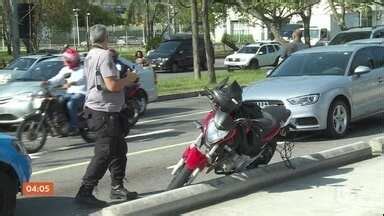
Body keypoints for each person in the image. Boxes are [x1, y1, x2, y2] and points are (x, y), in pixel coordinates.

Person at [74, 24, 139, 207]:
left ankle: (117, 187)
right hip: (104, 112)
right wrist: (129, 79)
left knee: (118, 149)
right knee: (104, 152)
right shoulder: (104, 56)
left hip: (104, 110)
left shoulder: (91, 54)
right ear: (106, 37)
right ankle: (85, 191)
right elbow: (112, 86)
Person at [43, 48, 86, 136]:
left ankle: (74, 126)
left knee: (71, 103)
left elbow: (82, 79)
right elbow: (57, 78)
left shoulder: (83, 70)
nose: (65, 62)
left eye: (67, 60)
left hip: (82, 93)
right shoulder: (65, 70)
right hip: (69, 93)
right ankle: (62, 122)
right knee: (58, 100)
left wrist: (72, 83)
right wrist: (48, 82)